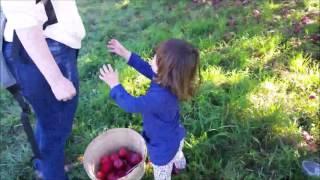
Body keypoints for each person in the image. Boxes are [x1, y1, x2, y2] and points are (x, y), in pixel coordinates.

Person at [1, 1, 85, 179]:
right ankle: (51, 171)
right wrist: (56, 80)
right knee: (56, 124)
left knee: (49, 118)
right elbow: (24, 20)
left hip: (47, 44)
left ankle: (45, 163)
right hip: (40, 49)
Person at [99, 39, 200, 180]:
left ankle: (170, 170)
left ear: (166, 70)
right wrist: (126, 54)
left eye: (156, 59)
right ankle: (180, 166)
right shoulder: (172, 81)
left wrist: (115, 86)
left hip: (162, 147)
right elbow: (147, 68)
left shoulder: (160, 98)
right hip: (175, 135)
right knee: (177, 152)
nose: (152, 59)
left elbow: (131, 104)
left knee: (162, 174)